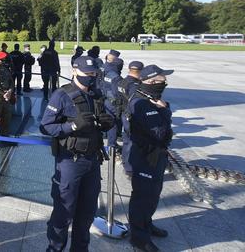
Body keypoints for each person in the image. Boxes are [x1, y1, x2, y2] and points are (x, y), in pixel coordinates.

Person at [40, 56, 114, 252]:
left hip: (92, 161)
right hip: (70, 162)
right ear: (74, 71)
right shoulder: (62, 95)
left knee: (87, 213)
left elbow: (102, 120)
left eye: (94, 74)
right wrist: (72, 125)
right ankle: (54, 248)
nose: (91, 77)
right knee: (64, 213)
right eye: (87, 74)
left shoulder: (96, 94)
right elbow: (46, 126)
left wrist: (108, 123)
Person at [127, 65, 174, 252]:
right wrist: (166, 111)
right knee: (143, 197)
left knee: (153, 194)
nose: (165, 84)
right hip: (144, 157)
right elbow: (161, 133)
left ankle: (147, 223)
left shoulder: (152, 99)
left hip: (156, 155)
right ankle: (139, 237)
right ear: (152, 82)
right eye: (163, 80)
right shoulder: (143, 103)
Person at [118, 61, 143, 173]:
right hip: (131, 116)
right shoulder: (135, 86)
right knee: (132, 142)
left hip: (124, 113)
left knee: (126, 141)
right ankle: (130, 168)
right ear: (140, 71)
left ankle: (126, 163)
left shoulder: (122, 82)